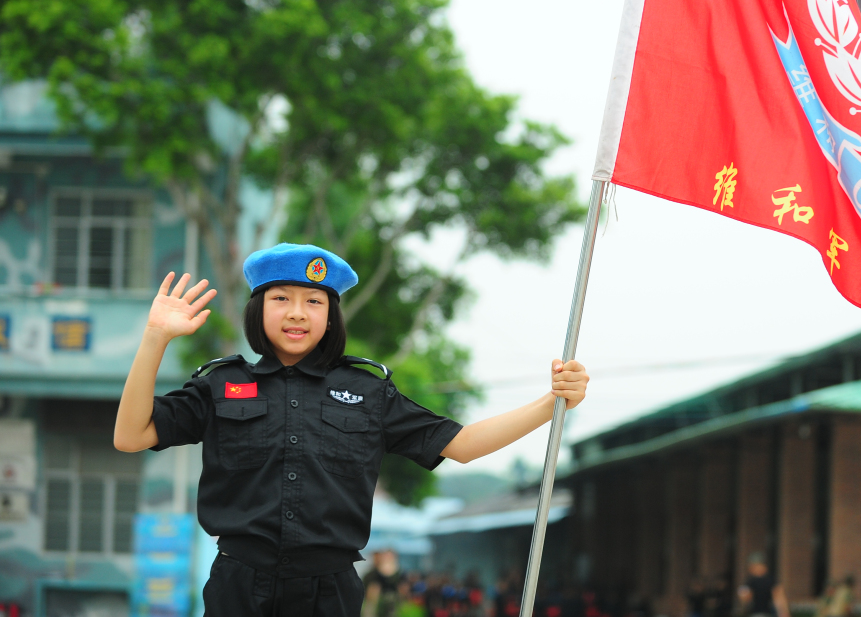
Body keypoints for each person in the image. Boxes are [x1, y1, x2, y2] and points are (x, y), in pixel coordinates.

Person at [113, 244, 590, 617]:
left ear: (329, 314)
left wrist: (551, 404)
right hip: (239, 583)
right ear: (258, 309)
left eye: (313, 301)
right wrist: (155, 338)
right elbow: (131, 435)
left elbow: (462, 445)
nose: (297, 313)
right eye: (281, 299)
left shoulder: (367, 392)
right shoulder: (222, 384)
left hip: (330, 590)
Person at [363, 548, 407, 617]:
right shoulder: (372, 575)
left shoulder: (400, 574)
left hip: (394, 607)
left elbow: (403, 591)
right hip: (375, 606)